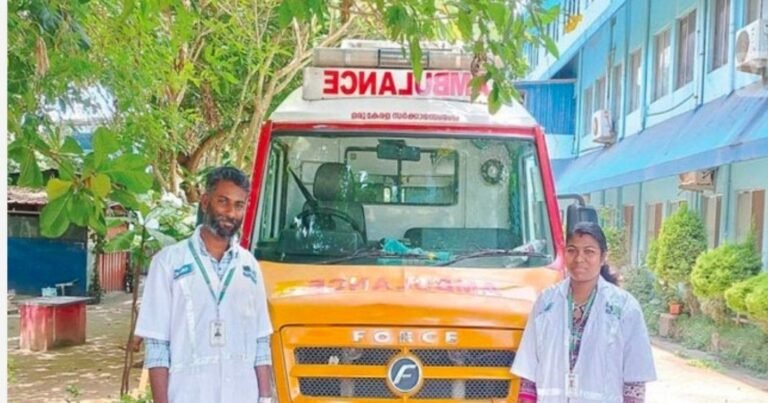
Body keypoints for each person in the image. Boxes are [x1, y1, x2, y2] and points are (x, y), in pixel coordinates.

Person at [135, 166, 273, 403]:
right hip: (188, 395)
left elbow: (261, 343)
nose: (231, 213)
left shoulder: (249, 267)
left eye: (239, 205)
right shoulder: (168, 263)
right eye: (223, 201)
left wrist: (265, 398)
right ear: (205, 201)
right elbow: (157, 347)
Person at [511, 222, 656, 403]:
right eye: (572, 250)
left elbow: (635, 382)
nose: (579, 258)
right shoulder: (546, 303)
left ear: (603, 257)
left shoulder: (625, 307)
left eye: (589, 251)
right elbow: (528, 375)